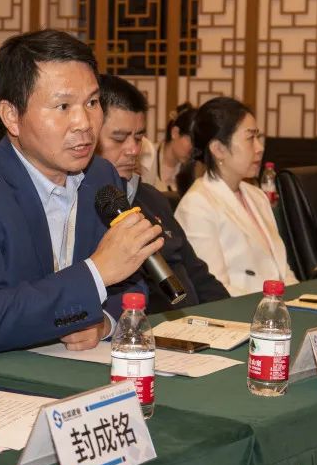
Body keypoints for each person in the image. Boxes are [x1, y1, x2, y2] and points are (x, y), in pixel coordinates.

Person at [0, 29, 163, 357]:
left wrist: (106, 322)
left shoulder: (101, 175)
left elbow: (130, 274)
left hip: (77, 363)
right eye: (63, 106)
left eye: (92, 102)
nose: (84, 122)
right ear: (12, 116)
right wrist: (96, 273)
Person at [97, 75, 229, 311]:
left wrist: (232, 318)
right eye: (119, 138)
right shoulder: (84, 210)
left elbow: (198, 275)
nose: (133, 149)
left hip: (194, 322)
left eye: (139, 138)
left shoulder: (152, 198)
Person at [174, 97, 299, 296]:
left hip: (276, 306)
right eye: (250, 138)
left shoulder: (257, 196)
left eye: (258, 137)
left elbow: (282, 271)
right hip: (240, 310)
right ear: (218, 149)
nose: (260, 147)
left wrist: (300, 299)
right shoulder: (197, 206)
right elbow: (215, 290)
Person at [139, 102, 196, 193]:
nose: (194, 148)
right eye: (191, 140)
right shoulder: (146, 156)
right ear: (175, 133)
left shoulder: (193, 167)